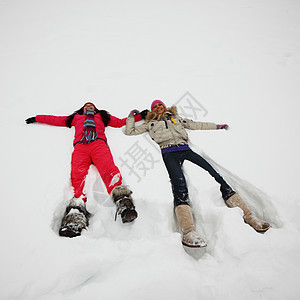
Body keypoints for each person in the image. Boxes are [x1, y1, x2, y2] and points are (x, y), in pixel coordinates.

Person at [125, 100, 271, 248]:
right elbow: (129, 131)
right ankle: (189, 231)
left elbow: (196, 124)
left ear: (165, 106)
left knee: (216, 175)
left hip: (185, 149)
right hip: (168, 153)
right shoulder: (150, 124)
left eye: (160, 105)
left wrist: (217, 126)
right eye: (155, 107)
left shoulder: (177, 118)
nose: (158, 107)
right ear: (152, 111)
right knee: (179, 185)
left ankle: (250, 216)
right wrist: (131, 117)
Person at [26, 102, 147, 238]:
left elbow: (120, 122)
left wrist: (138, 117)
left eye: (91, 106)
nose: (89, 107)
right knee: (77, 177)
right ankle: (75, 215)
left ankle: (124, 203)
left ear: (95, 108)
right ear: (82, 109)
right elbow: (55, 120)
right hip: (81, 147)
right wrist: (37, 118)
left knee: (109, 170)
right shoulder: (75, 118)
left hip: (98, 145)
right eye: (86, 106)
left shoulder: (102, 116)